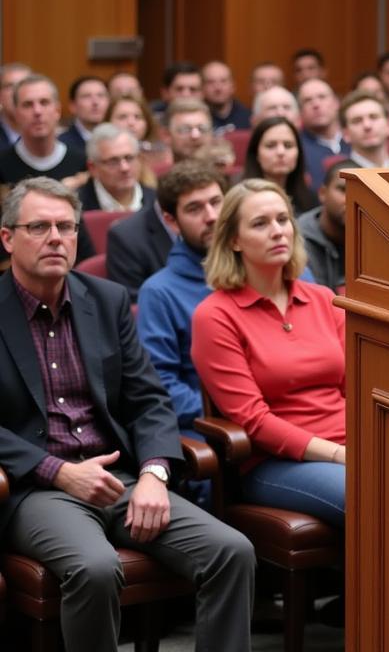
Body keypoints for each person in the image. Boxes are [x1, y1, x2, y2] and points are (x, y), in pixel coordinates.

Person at [0, 177, 255, 652]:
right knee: (95, 568)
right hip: (37, 489)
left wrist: (155, 473)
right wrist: (59, 472)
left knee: (231, 552)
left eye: (66, 226)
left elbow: (149, 399)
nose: (56, 238)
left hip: (123, 479)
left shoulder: (107, 300)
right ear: (7, 237)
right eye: (38, 227)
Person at [191, 179, 347, 529]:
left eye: (283, 219)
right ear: (233, 240)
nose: (277, 232)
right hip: (275, 462)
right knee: (372, 491)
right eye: (260, 224)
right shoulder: (215, 315)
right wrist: (338, 454)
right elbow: (253, 420)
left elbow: (356, 388)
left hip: (348, 444)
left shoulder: (321, 298)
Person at [136, 161, 227, 433]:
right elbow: (162, 384)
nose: (211, 216)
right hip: (214, 428)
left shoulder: (260, 270)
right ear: (171, 221)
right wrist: (234, 413)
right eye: (194, 208)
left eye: (216, 202)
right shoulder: (159, 292)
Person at [0, 74, 87, 187]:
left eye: (44, 102)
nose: (37, 111)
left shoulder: (81, 163)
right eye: (28, 105)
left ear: (57, 111)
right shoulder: (2, 165)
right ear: (16, 114)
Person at [244, 116, 317, 213]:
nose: (281, 152)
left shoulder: (311, 200)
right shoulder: (242, 200)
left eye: (288, 145)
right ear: (256, 153)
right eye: (271, 145)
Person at [78, 123, 156, 212]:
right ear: (93, 168)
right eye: (113, 161)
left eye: (129, 158)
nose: (125, 168)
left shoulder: (159, 202)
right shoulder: (76, 208)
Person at [297, 161, 347, 291]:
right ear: (323, 193)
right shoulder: (297, 239)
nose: (351, 197)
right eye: (343, 190)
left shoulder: (374, 235)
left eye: (359, 190)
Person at [297, 78, 350, 188]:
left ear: (336, 103)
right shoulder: (296, 147)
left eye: (322, 97)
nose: (316, 104)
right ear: (300, 111)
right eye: (307, 100)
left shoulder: (357, 138)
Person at [105, 94, 161, 188]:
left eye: (138, 117)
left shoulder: (162, 158)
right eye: (122, 117)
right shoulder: (100, 159)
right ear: (107, 122)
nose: (131, 123)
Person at [58, 75, 110, 153]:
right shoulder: (61, 145)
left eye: (100, 95)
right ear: (73, 106)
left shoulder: (119, 141)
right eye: (87, 96)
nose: (95, 102)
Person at [202, 60, 251, 132]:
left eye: (223, 81)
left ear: (233, 86)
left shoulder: (249, 118)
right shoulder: (197, 119)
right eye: (211, 82)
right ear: (202, 87)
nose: (218, 87)